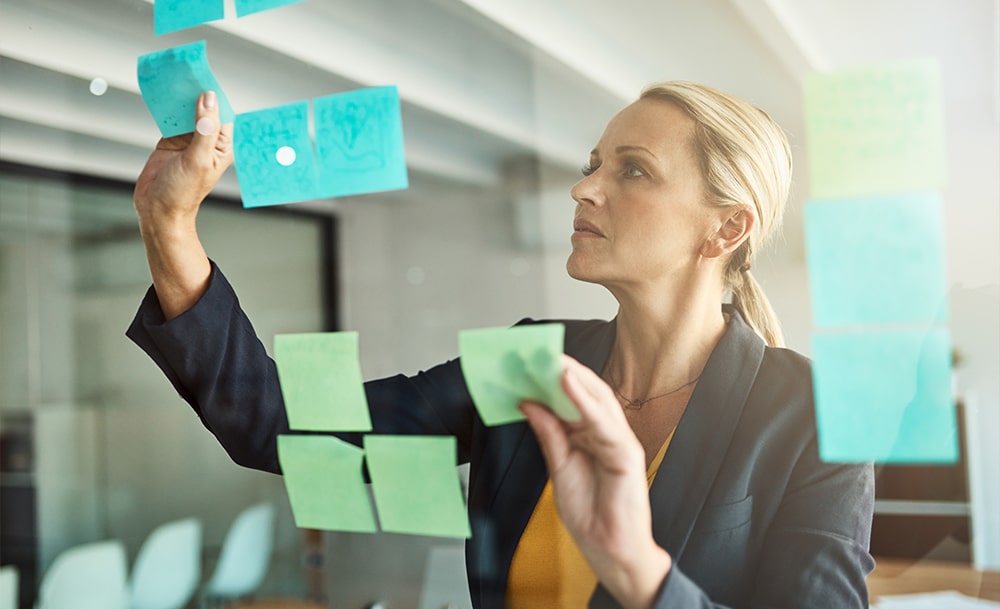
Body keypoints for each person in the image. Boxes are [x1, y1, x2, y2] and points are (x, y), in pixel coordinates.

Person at [127, 82, 875, 609]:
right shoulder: (533, 362)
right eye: (594, 163)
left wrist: (638, 570)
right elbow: (279, 425)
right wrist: (170, 227)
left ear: (725, 228)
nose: (584, 189)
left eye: (633, 169)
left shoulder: (812, 416)